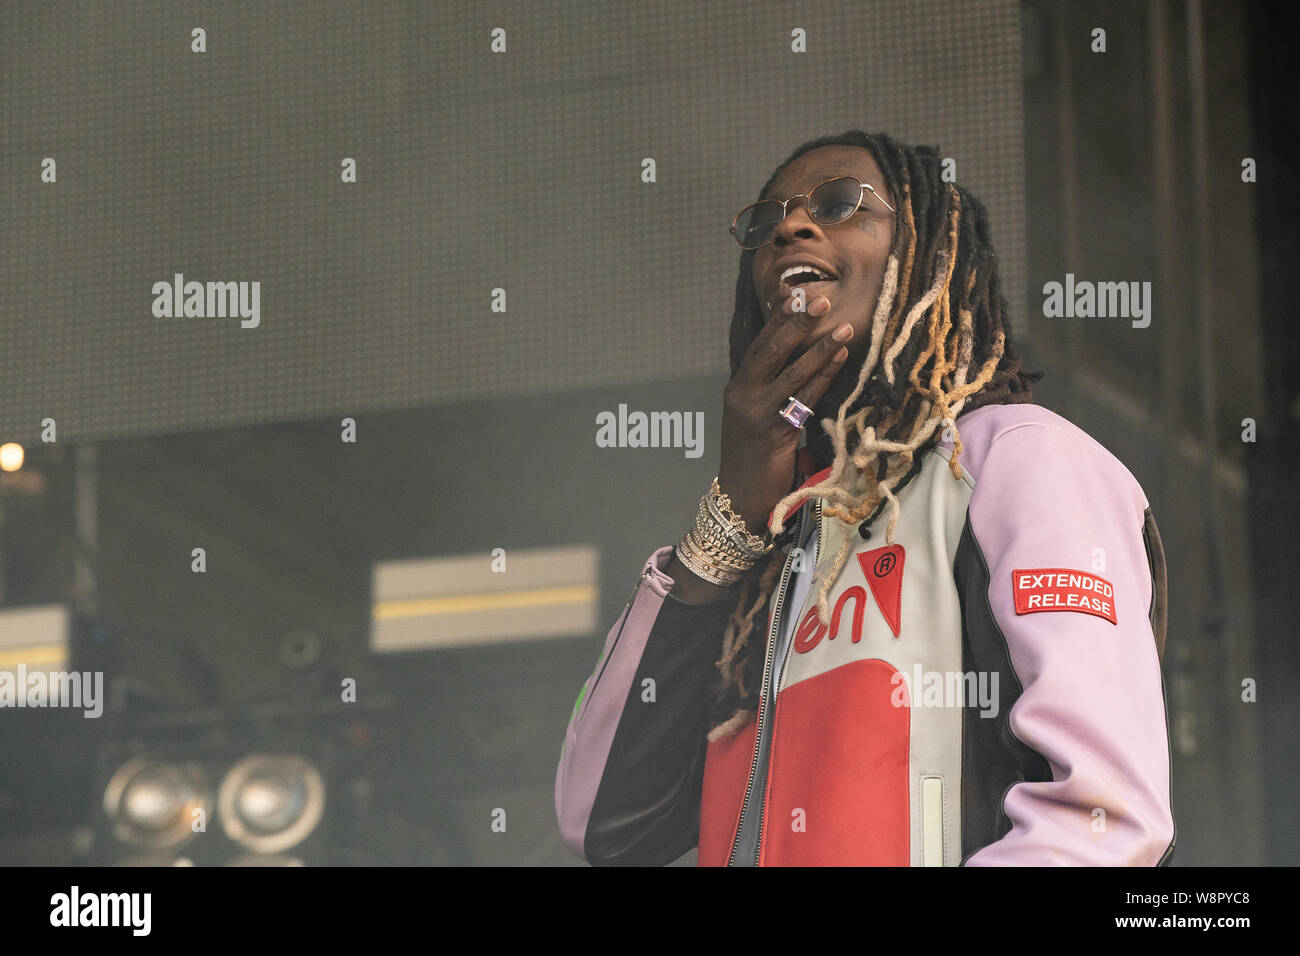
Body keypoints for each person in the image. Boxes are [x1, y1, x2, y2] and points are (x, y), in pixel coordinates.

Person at [554, 130, 1175, 866]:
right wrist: (729, 527)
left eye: (841, 204)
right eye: (767, 222)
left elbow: (1103, 819)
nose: (791, 225)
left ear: (931, 259)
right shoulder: (775, 535)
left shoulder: (1016, 458)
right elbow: (605, 824)